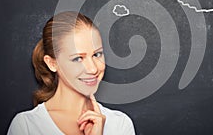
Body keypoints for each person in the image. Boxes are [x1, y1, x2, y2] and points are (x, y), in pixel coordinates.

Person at [7, 11, 135, 135]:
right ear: (52, 63)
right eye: (78, 58)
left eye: (97, 54)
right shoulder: (26, 126)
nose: (93, 69)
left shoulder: (120, 125)